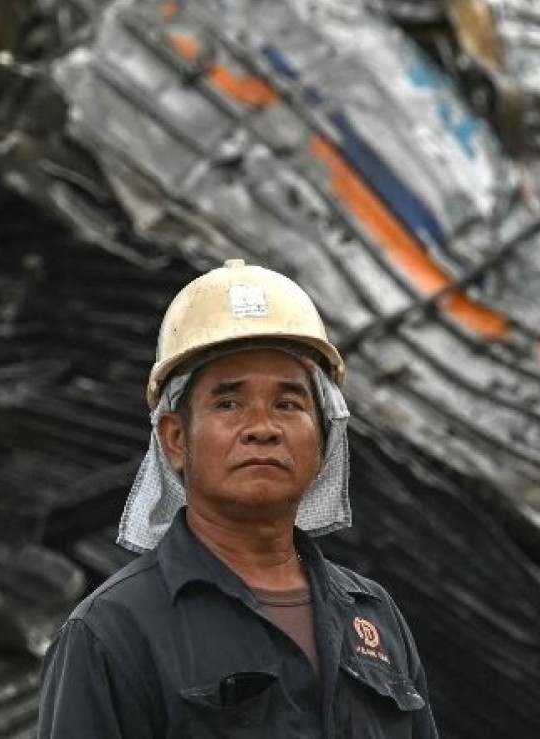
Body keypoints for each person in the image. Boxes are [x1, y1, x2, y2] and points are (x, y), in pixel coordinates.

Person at [38, 261, 439, 737]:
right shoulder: (113, 631)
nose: (263, 429)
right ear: (174, 438)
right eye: (228, 403)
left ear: (323, 438)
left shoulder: (371, 614)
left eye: (288, 404)